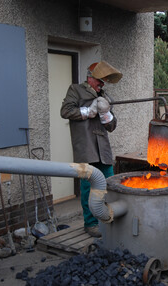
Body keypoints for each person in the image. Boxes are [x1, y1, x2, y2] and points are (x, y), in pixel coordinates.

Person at [60, 61, 122, 237]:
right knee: (88, 188)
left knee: (109, 185)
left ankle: (107, 218)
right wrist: (88, 110)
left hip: (103, 149)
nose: (102, 84)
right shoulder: (76, 90)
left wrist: (106, 114)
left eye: (104, 82)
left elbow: (111, 126)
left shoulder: (106, 97)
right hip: (86, 147)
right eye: (99, 80)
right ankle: (91, 223)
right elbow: (65, 111)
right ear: (90, 77)